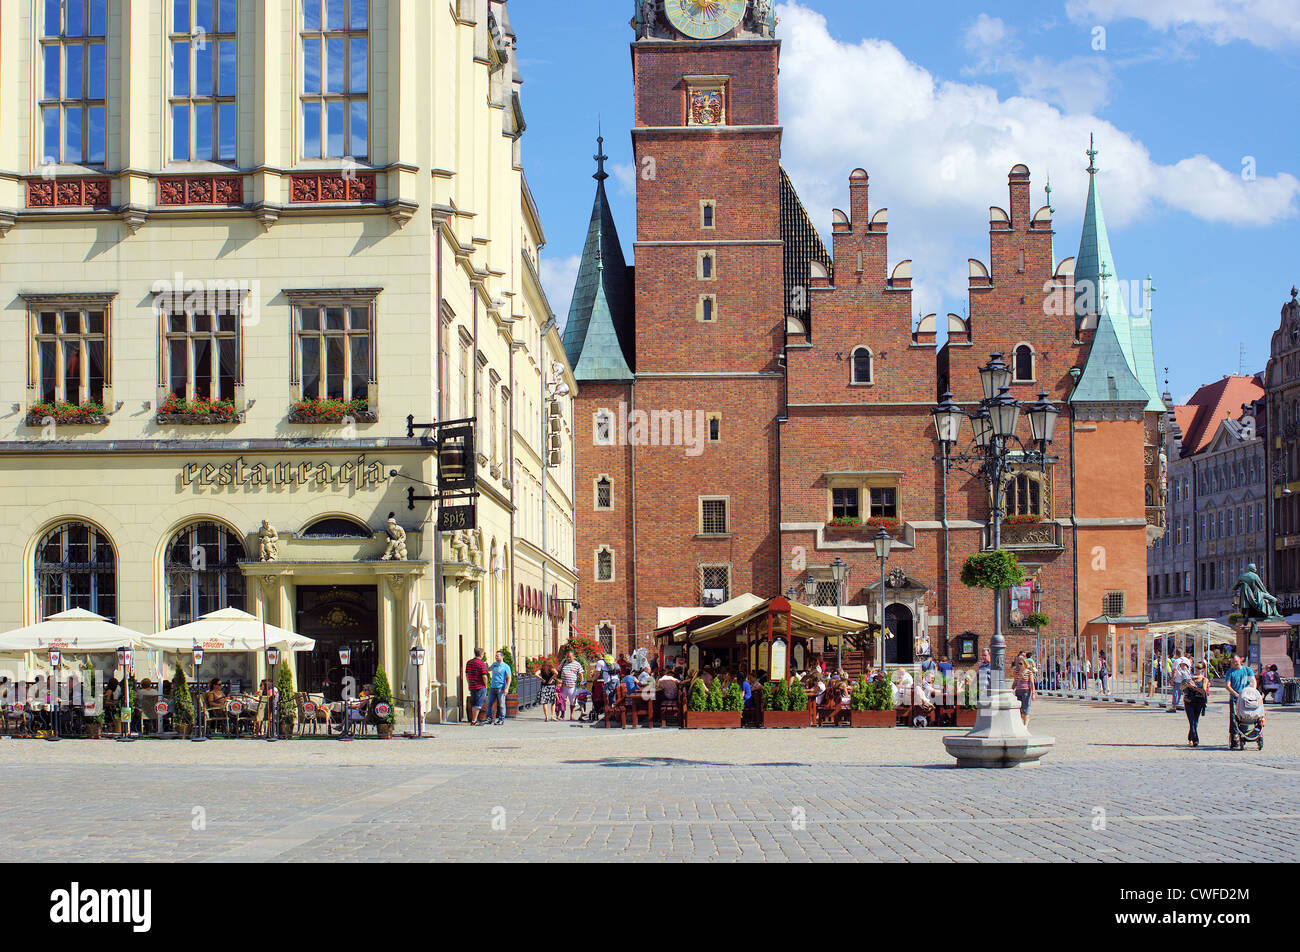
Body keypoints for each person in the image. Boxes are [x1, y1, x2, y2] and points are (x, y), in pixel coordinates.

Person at [1224, 654, 1257, 750]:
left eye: (1236, 661)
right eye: (1233, 662)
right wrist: (1234, 693)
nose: (1235, 663)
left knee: (1246, 716)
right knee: (1234, 718)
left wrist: (1251, 692)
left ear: (1240, 660)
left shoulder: (1247, 670)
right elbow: (1227, 685)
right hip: (1235, 698)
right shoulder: (1230, 672)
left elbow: (1253, 681)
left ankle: (1244, 735)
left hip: (1246, 698)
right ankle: (1234, 736)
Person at [1182, 661, 1210, 747]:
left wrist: (1194, 687)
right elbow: (1181, 687)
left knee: (1195, 722)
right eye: (1195, 667)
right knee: (1192, 721)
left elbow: (1203, 691)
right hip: (1189, 701)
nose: (1196, 669)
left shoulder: (1204, 679)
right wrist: (1187, 685)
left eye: (1198, 668)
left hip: (1199, 702)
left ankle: (1190, 737)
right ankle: (1195, 739)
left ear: (1203, 670)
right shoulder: (1190, 678)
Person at [485, 650, 511, 726]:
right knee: (489, 703)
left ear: (502, 657)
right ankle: (489, 719)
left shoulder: (506, 666)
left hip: (501, 687)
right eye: (495, 656)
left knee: (502, 704)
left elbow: (509, 678)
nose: (496, 657)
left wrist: (507, 688)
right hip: (493, 687)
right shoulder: (495, 664)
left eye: (497, 656)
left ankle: (501, 719)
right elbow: (489, 669)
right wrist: (486, 665)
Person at [559, 651, 585, 722]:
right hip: (563, 685)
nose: (568, 658)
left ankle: (572, 715)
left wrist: (582, 683)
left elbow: (581, 674)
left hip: (572, 686)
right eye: (567, 657)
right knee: (562, 701)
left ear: (573, 657)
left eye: (570, 657)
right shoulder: (564, 662)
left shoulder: (577, 664)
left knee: (572, 702)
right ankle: (562, 715)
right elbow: (558, 670)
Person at [465, 647, 489, 726]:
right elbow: (484, 676)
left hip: (472, 685)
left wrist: (469, 683)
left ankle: (474, 719)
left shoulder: (469, 662)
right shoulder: (481, 663)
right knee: (478, 704)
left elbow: (467, 674)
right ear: (481, 654)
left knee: (474, 702)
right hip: (480, 686)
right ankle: (474, 720)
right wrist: (486, 685)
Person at [1012, 655, 1035, 726]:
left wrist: (1033, 693)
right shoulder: (1016, 672)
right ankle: (1023, 722)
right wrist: (1011, 690)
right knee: (1019, 709)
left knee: (1025, 709)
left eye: (1021, 664)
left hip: (1026, 691)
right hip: (1018, 691)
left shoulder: (1029, 672)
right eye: (1018, 664)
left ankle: (1025, 725)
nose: (1019, 665)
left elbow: (1031, 683)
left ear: (1025, 664)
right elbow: (1015, 682)